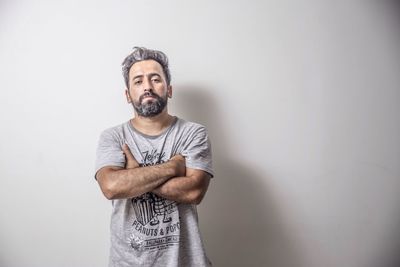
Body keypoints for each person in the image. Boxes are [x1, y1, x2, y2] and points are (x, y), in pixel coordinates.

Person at [94, 47, 214, 267]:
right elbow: (111, 187)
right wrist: (172, 167)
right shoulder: (113, 137)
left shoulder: (193, 133)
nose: (147, 86)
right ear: (128, 94)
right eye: (138, 81)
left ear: (169, 89)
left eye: (155, 79)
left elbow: (194, 191)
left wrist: (134, 174)